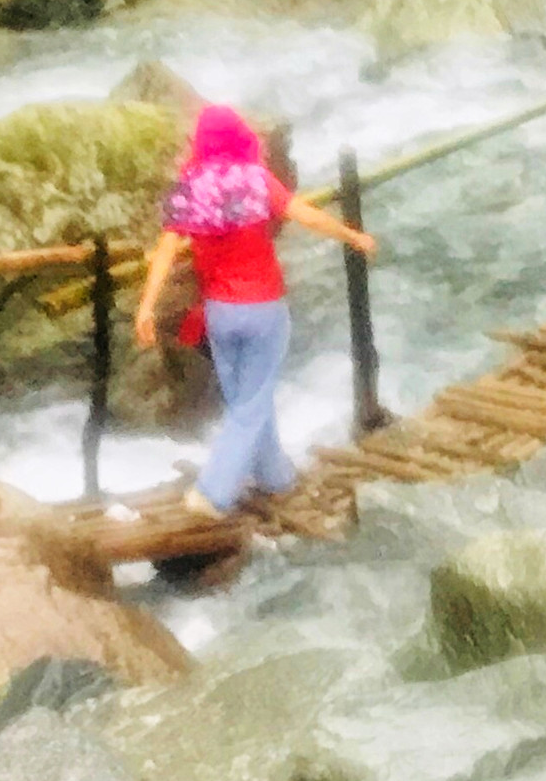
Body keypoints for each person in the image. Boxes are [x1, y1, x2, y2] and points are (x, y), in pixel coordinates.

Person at [133, 103, 379, 515]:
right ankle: (212, 493)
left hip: (219, 313)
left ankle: (274, 476)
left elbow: (165, 250)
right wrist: (353, 237)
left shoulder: (189, 188)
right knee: (251, 404)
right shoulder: (257, 181)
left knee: (244, 399)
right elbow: (305, 216)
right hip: (264, 308)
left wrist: (146, 306)